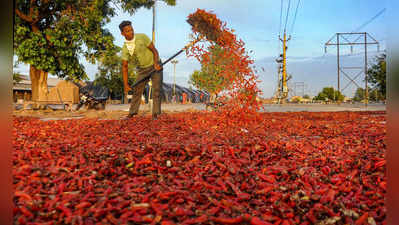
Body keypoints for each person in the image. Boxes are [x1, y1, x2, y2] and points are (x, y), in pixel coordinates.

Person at [119, 20, 163, 119]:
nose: (131, 32)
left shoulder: (142, 37)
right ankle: (132, 113)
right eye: (127, 31)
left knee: (157, 90)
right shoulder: (125, 48)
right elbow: (124, 67)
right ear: (122, 33)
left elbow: (155, 51)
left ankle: (156, 114)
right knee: (137, 90)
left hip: (155, 65)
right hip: (143, 69)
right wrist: (126, 85)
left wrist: (156, 63)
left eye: (131, 30)